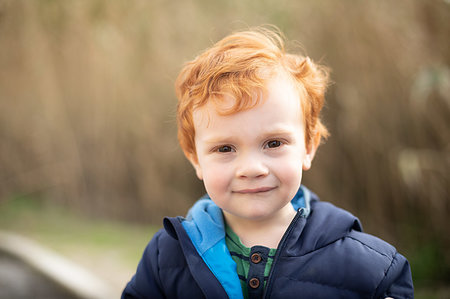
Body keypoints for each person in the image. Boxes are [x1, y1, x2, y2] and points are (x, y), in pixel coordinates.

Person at [122, 26, 414, 299]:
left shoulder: (371, 270)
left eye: (273, 143)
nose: (251, 169)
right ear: (196, 160)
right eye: (225, 148)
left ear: (308, 147)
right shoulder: (167, 257)